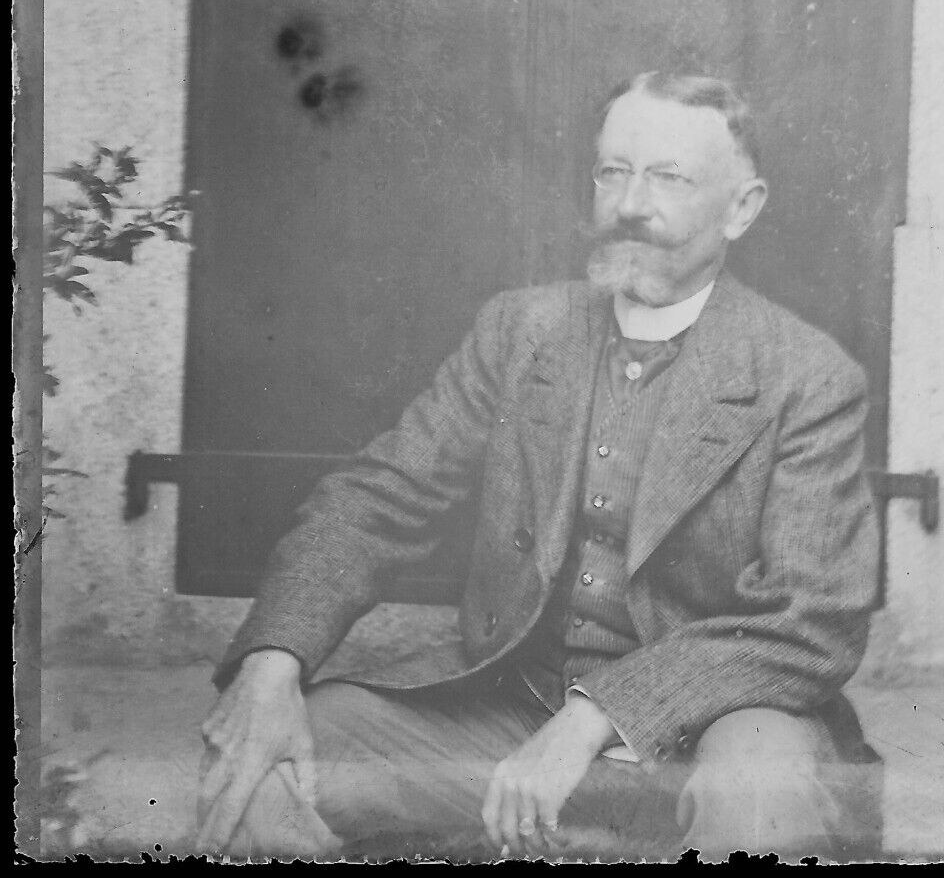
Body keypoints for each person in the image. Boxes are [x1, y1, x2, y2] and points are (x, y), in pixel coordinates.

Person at [197, 72, 883, 860]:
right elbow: (378, 498)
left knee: (761, 797)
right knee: (259, 763)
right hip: (511, 711)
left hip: (713, 733)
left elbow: (812, 621)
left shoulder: (806, 376)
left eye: (668, 178)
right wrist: (271, 662)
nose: (630, 204)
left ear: (741, 208)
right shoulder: (521, 330)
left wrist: (599, 716)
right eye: (613, 172)